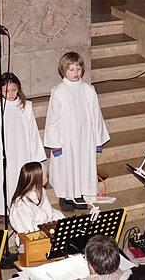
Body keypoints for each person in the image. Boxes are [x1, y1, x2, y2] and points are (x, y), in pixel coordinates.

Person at [44, 52, 110, 212]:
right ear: (63, 70)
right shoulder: (59, 91)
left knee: (82, 165)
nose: (75, 73)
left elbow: (96, 116)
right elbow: (53, 119)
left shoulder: (88, 90)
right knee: (66, 167)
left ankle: (80, 194)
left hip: (85, 137)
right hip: (66, 139)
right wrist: (55, 143)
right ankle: (65, 197)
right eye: (71, 69)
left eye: (78, 69)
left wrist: (97, 140)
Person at [0, 73, 46, 219]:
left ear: (18, 89)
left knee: (21, 180)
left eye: (14, 90)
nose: (11, 94)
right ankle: (4, 210)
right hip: (1, 154)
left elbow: (33, 132)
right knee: (4, 180)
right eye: (7, 91)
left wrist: (35, 156)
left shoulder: (26, 107)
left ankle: (22, 208)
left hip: (22, 151)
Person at [8, 162, 65, 242]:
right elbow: (28, 231)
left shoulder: (41, 191)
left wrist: (61, 223)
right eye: (45, 175)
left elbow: (50, 213)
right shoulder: (21, 205)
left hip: (47, 233)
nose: (47, 177)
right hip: (33, 241)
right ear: (38, 179)